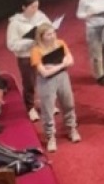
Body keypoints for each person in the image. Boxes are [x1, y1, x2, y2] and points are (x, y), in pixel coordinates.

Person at [30, 22, 79, 152]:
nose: (52, 36)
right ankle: (50, 137)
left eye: (53, 33)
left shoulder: (60, 43)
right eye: (48, 34)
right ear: (41, 37)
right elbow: (44, 72)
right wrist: (62, 65)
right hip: (46, 82)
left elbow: (71, 60)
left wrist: (57, 67)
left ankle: (71, 129)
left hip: (62, 77)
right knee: (48, 110)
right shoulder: (36, 51)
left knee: (68, 104)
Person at [6, 0, 51, 121]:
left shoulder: (40, 15)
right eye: (32, 7)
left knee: (46, 79)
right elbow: (12, 45)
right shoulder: (15, 24)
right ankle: (30, 107)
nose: (35, 9)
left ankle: (46, 103)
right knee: (30, 82)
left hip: (43, 52)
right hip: (26, 56)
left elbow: (49, 27)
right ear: (24, 7)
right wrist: (30, 42)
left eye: (37, 6)